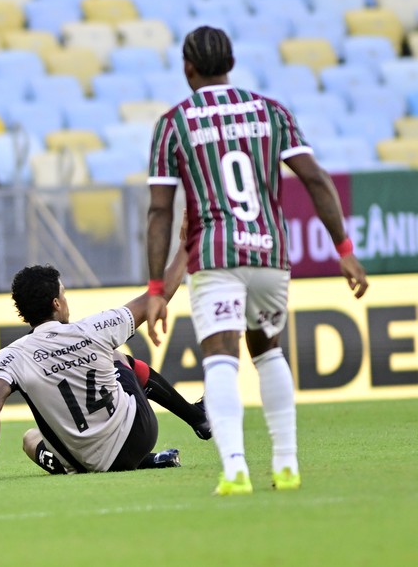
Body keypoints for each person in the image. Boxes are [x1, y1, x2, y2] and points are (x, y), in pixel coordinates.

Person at [144, 26, 369, 496]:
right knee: (269, 352)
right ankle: (286, 465)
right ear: (231, 63)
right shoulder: (271, 111)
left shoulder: (174, 123)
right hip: (269, 252)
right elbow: (316, 179)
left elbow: (161, 210)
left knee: (221, 359)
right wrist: (344, 250)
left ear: (188, 68)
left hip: (215, 255)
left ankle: (235, 468)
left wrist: (155, 288)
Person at [0, 223, 209, 481]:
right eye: (63, 295)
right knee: (116, 357)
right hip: (138, 436)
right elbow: (158, 295)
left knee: (30, 439)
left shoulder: (11, 357)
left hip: (86, 463)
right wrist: (185, 248)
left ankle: (96, 464)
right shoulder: (94, 329)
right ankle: (197, 419)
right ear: (56, 303)